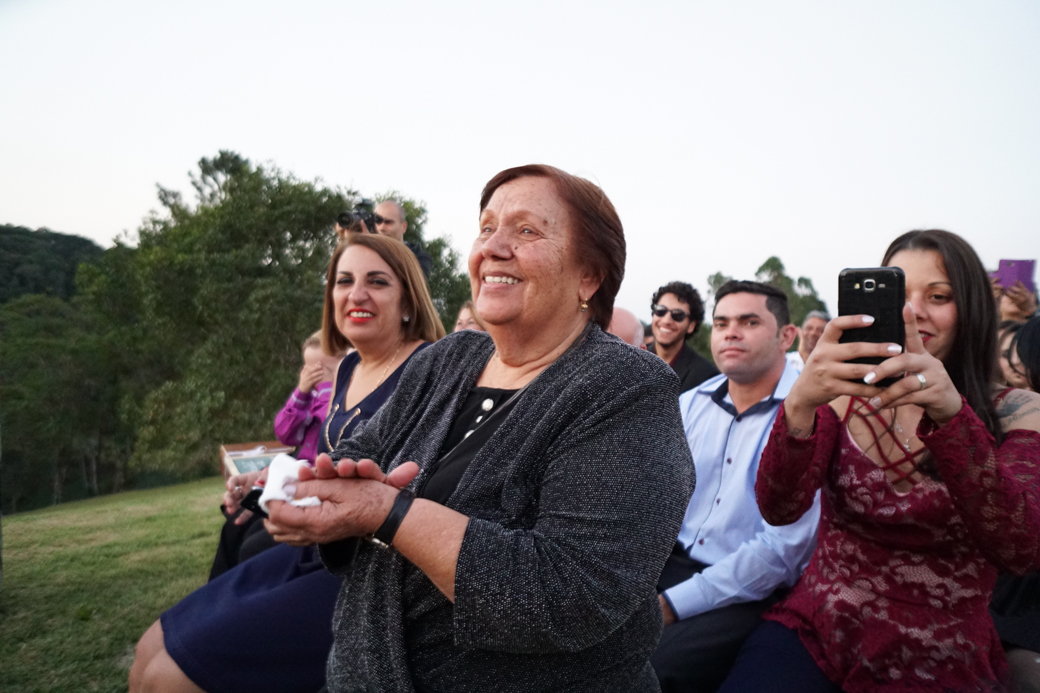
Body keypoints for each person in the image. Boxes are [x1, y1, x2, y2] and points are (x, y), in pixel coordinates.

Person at [264, 164, 695, 692]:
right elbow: (364, 450)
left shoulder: (625, 386)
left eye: (527, 230)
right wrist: (324, 490)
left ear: (589, 276)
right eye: (486, 227)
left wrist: (389, 512)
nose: (493, 246)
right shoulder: (445, 360)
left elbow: (575, 593)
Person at [721, 229, 1040, 693]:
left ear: (972, 307)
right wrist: (799, 407)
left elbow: (1020, 549)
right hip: (819, 627)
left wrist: (951, 415)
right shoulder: (842, 399)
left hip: (943, 654)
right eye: (898, 292)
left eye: (939, 295)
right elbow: (779, 508)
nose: (913, 312)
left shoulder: (1019, 411)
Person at [128, 233, 445, 693]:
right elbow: (331, 460)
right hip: (315, 548)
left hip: (370, 570)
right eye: (343, 281)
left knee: (169, 678)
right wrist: (267, 480)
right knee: (148, 650)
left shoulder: (430, 366)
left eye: (377, 282)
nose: (356, 294)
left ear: (408, 302)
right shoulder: (349, 369)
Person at [651, 280, 821, 693]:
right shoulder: (688, 404)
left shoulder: (810, 418)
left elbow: (782, 552)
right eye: (722, 322)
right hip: (666, 563)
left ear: (786, 336)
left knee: (650, 667)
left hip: (748, 589)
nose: (731, 332)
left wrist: (671, 605)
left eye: (749, 322)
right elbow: (652, 498)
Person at [647, 281, 718, 393]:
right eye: (660, 311)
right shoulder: (629, 360)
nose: (666, 320)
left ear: (691, 325)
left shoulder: (706, 376)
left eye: (678, 315)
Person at [374, 199, 434, 277]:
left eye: (388, 222)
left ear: (403, 227)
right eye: (378, 221)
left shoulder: (420, 257)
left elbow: (413, 280)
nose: (381, 227)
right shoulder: (367, 252)